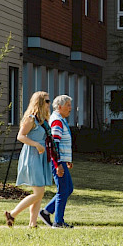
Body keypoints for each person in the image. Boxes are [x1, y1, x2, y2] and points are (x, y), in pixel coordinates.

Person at [4, 91, 54, 227]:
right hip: (32, 156)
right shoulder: (31, 119)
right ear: (40, 102)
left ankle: (33, 223)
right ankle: (12, 214)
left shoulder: (42, 120)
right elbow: (20, 136)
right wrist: (36, 144)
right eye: (47, 101)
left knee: (39, 193)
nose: (49, 103)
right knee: (39, 193)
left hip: (40, 156)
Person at [39, 95, 74, 228]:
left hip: (62, 160)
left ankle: (46, 211)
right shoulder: (57, 121)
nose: (70, 108)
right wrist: (58, 164)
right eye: (68, 105)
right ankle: (58, 222)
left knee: (68, 188)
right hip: (57, 162)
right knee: (63, 190)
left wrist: (67, 160)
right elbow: (54, 144)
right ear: (59, 107)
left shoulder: (61, 120)